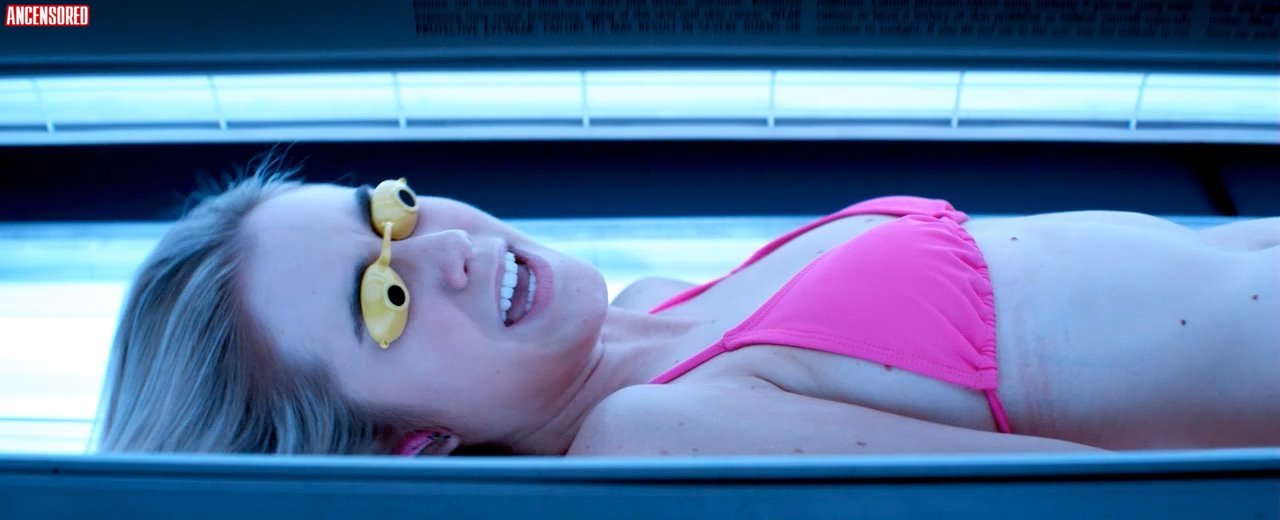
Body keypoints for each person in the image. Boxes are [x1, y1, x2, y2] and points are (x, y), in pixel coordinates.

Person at [96, 160, 1280, 456]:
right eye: (386, 296)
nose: (444, 245)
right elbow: (1135, 505)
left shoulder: (664, 302)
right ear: (415, 444)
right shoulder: (650, 432)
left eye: (388, 209)